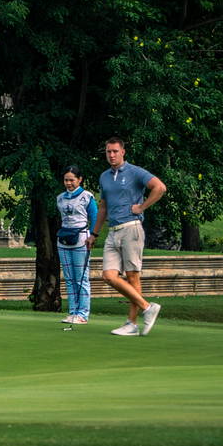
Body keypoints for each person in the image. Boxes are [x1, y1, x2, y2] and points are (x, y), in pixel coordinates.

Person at [91, 137, 167, 335]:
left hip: (131, 228)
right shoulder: (104, 177)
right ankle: (147, 307)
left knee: (132, 276)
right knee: (108, 275)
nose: (112, 155)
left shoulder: (135, 172)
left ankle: (131, 324)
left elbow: (159, 187)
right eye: (109, 152)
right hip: (113, 231)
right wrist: (94, 233)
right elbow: (103, 207)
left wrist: (142, 207)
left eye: (115, 151)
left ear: (123, 152)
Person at [55, 165, 99, 325]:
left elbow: (94, 217)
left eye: (71, 180)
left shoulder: (87, 197)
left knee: (81, 278)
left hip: (81, 239)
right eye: (66, 180)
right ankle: (73, 312)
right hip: (64, 239)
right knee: (69, 278)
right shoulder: (60, 198)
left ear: (79, 180)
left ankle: (83, 313)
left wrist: (93, 236)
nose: (68, 183)